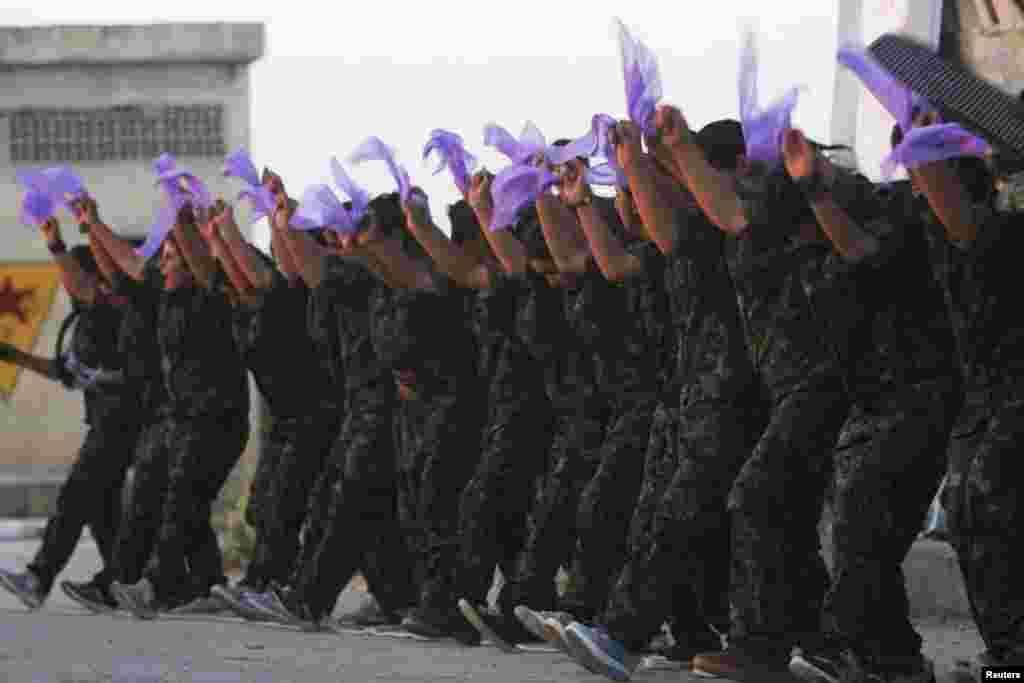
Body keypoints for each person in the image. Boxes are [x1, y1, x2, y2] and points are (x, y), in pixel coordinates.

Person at [0, 213, 144, 612]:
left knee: (76, 496)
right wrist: (14, 355)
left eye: (72, 278)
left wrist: (56, 245)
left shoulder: (110, 310)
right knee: (101, 509)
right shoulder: (84, 320)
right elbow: (65, 371)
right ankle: (119, 582)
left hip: (120, 420)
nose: (67, 286)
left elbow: (79, 284)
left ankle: (38, 577)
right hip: (104, 420)